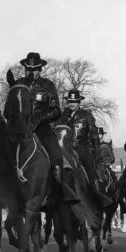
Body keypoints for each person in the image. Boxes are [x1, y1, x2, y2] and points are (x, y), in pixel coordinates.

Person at [14, 52, 79, 206]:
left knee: (56, 154)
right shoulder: (18, 84)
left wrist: (40, 118)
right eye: (28, 69)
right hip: (22, 128)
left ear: (40, 69)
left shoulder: (48, 86)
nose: (31, 72)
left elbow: (56, 110)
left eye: (34, 69)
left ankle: (58, 191)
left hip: (42, 128)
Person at [59, 88, 111, 205]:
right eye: (70, 101)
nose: (72, 103)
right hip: (64, 149)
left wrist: (97, 150)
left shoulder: (86, 115)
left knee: (90, 168)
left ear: (79, 102)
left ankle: (97, 196)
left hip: (81, 148)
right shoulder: (62, 115)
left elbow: (94, 135)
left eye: (75, 101)